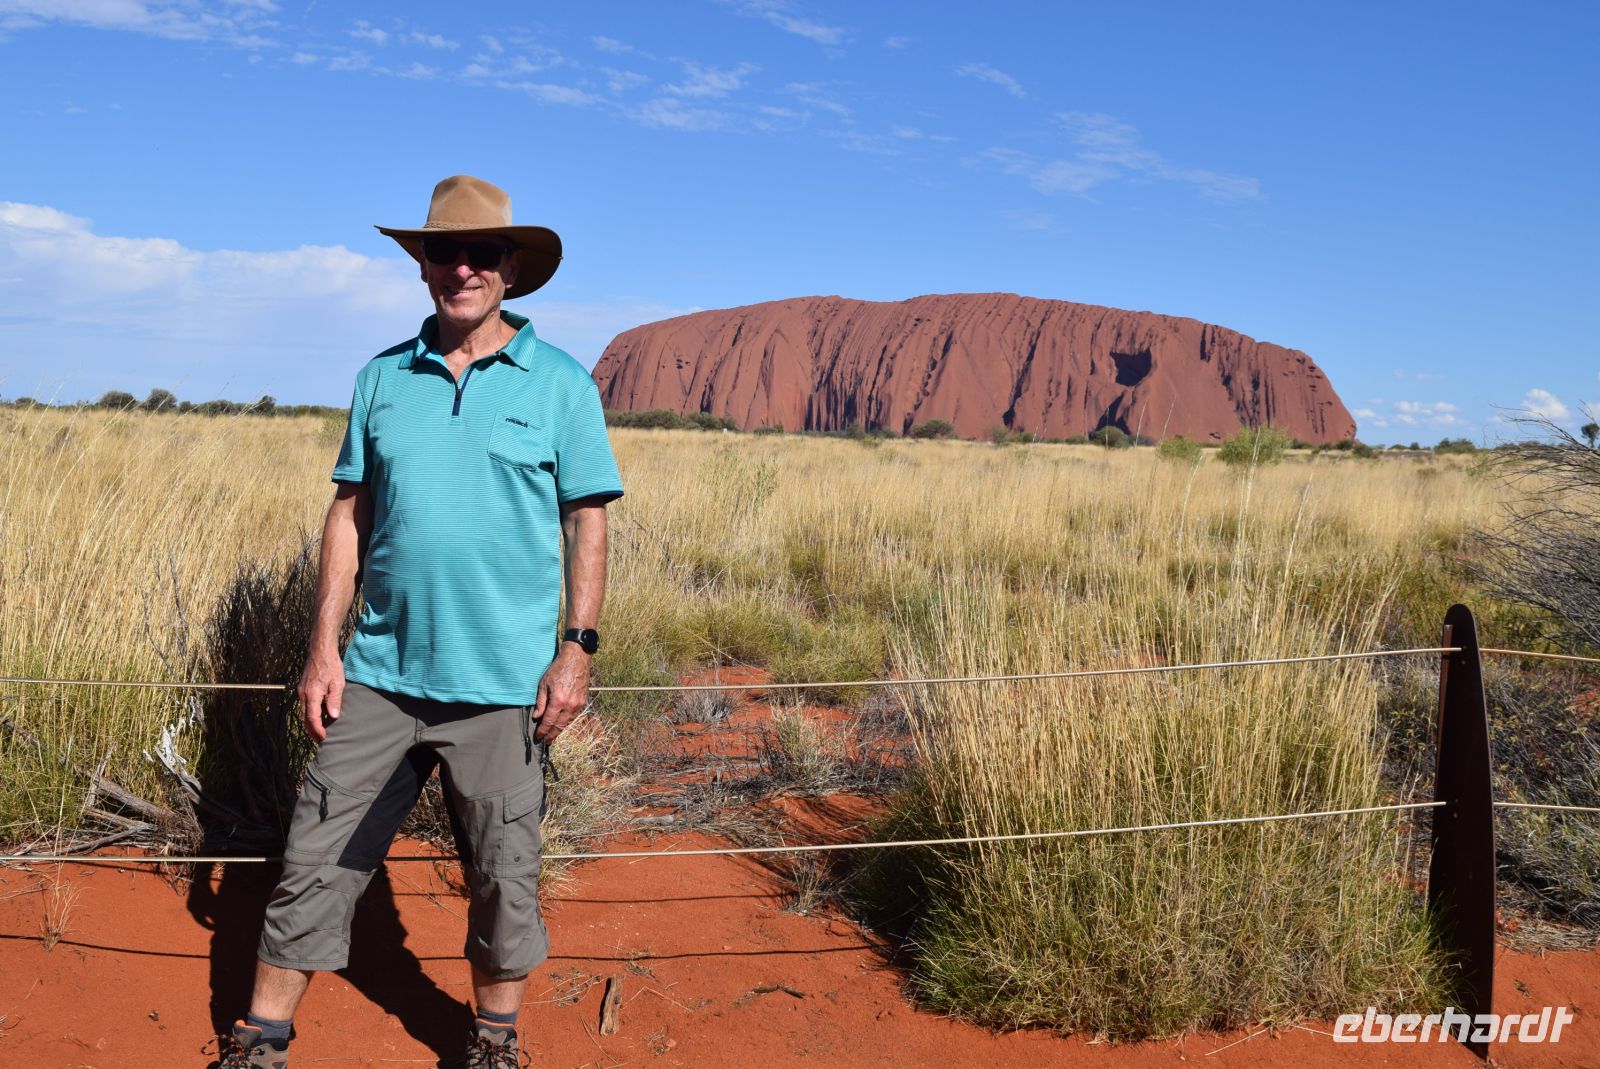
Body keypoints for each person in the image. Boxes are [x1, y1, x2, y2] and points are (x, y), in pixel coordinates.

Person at [219, 175, 624, 1069]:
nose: (463, 267)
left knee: (504, 875)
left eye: (482, 253)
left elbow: (586, 518)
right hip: (380, 677)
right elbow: (348, 514)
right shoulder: (382, 378)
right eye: (445, 251)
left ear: (511, 268)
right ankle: (260, 1038)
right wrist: (322, 649)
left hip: (503, 686)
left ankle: (494, 1041)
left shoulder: (560, 384)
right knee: (316, 855)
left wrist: (577, 647)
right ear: (423, 265)